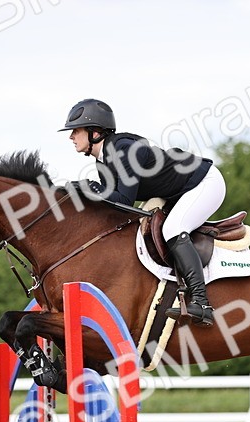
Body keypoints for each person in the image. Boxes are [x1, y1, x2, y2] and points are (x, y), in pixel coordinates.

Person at [59, 98, 224, 327]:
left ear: (95, 132)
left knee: (173, 229)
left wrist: (89, 189)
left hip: (204, 182)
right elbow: (114, 208)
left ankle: (202, 304)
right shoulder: (103, 162)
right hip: (175, 192)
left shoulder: (123, 149)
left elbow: (124, 201)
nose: (71, 137)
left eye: (75, 131)